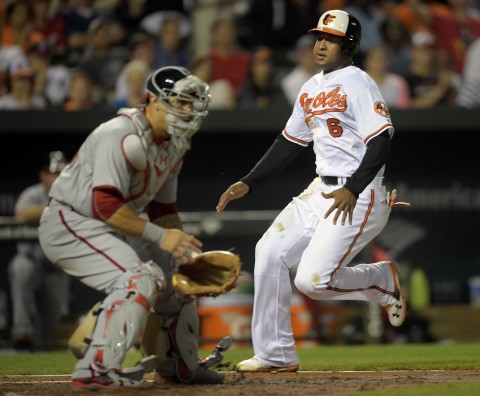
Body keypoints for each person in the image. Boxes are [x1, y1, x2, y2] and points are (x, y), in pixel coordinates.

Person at [216, 9, 406, 372]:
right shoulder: (310, 86)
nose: (320, 44)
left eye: (330, 39)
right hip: (320, 188)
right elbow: (289, 143)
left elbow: (381, 141)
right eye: (319, 37)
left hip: (359, 192)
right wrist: (249, 181)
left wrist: (353, 187)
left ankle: (380, 280)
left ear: (348, 44)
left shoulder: (359, 83)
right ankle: (275, 355)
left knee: (312, 281)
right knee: (269, 250)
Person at [38, 66, 221, 390]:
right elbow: (105, 205)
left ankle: (180, 366)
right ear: (153, 101)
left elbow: (162, 209)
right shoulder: (121, 134)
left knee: (179, 278)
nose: (189, 111)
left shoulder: (176, 145)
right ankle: (96, 368)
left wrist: (184, 253)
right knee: (140, 279)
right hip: (71, 221)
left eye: (193, 103)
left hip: (118, 222)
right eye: (181, 102)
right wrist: (162, 236)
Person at [8, 151, 70, 351]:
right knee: (20, 266)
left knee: (46, 334)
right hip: (31, 261)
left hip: (55, 268)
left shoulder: (74, 195)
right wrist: (54, 208)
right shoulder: (32, 194)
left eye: (60, 173)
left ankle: (38, 345)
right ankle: (21, 330)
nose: (56, 178)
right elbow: (21, 214)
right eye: (52, 173)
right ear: (43, 175)